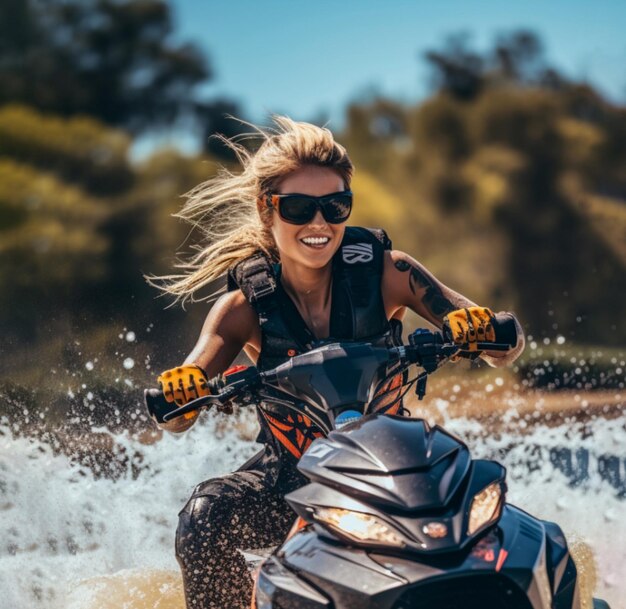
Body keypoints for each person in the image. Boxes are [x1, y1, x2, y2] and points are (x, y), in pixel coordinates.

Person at [146, 116, 525, 609]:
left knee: (485, 501)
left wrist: (480, 330)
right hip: (290, 481)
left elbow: (505, 345)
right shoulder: (241, 308)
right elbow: (186, 399)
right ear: (268, 210)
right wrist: (184, 392)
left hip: (397, 467)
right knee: (203, 516)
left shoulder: (390, 272)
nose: (320, 224)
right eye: (300, 208)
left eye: (335, 206)